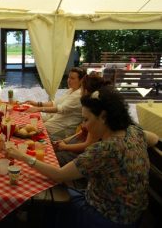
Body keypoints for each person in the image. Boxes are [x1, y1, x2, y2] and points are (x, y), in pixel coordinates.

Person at [8, 86, 158, 228]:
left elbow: (59, 175)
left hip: (109, 217)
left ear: (104, 117)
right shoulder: (133, 131)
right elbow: (154, 139)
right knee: (56, 190)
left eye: (86, 120)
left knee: (50, 198)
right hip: (132, 214)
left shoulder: (105, 149)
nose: (84, 126)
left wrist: (22, 156)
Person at [54, 74, 112, 166]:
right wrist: (64, 141)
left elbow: (88, 145)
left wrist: (65, 146)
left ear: (85, 90)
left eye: (81, 87)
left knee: (52, 157)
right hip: (75, 142)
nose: (79, 91)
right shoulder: (88, 103)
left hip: (80, 154)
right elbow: (82, 131)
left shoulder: (94, 111)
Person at [25, 67, 86, 140]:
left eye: (72, 78)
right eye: (68, 77)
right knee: (28, 120)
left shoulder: (78, 94)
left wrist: (38, 109)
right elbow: (55, 103)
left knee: (32, 132)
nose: (69, 80)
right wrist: (36, 104)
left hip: (62, 128)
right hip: (55, 121)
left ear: (81, 80)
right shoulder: (71, 90)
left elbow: (60, 109)